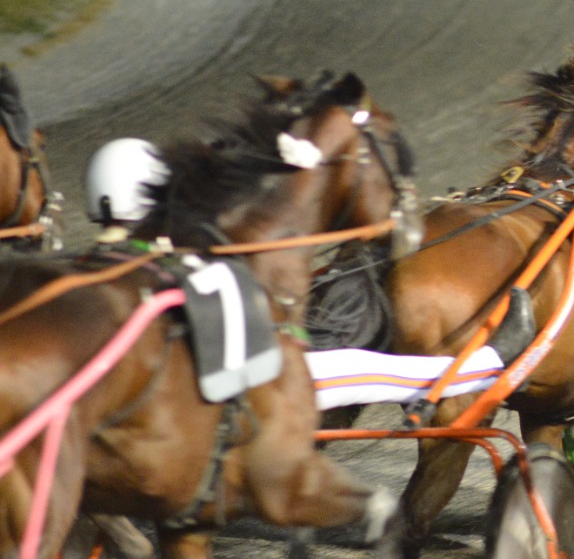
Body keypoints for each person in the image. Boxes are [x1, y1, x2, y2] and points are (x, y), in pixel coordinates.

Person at [82, 137, 535, 409]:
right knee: (354, 367)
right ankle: (487, 365)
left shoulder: (90, 268)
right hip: (213, 399)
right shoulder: (178, 268)